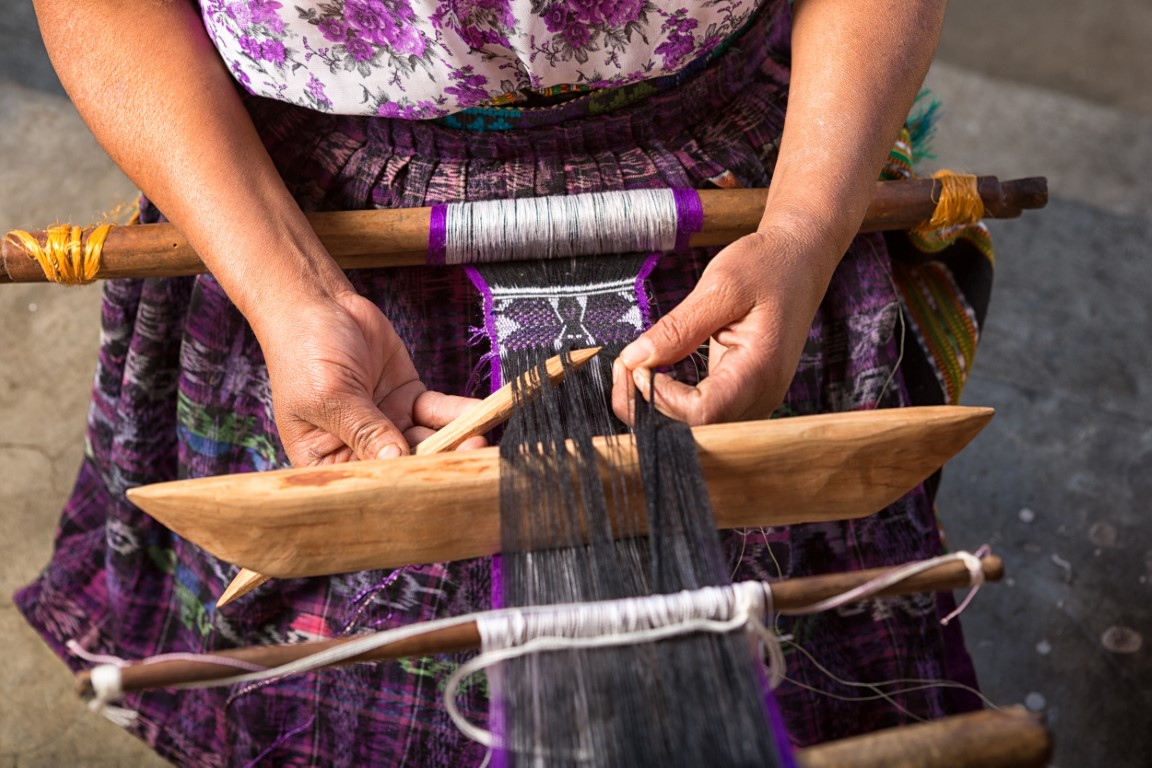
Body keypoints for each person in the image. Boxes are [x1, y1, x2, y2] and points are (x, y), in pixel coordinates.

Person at [17, 0, 985, 764]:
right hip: (298, 218)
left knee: (759, 675)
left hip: (732, 205)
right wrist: (290, 292)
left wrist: (804, 233)